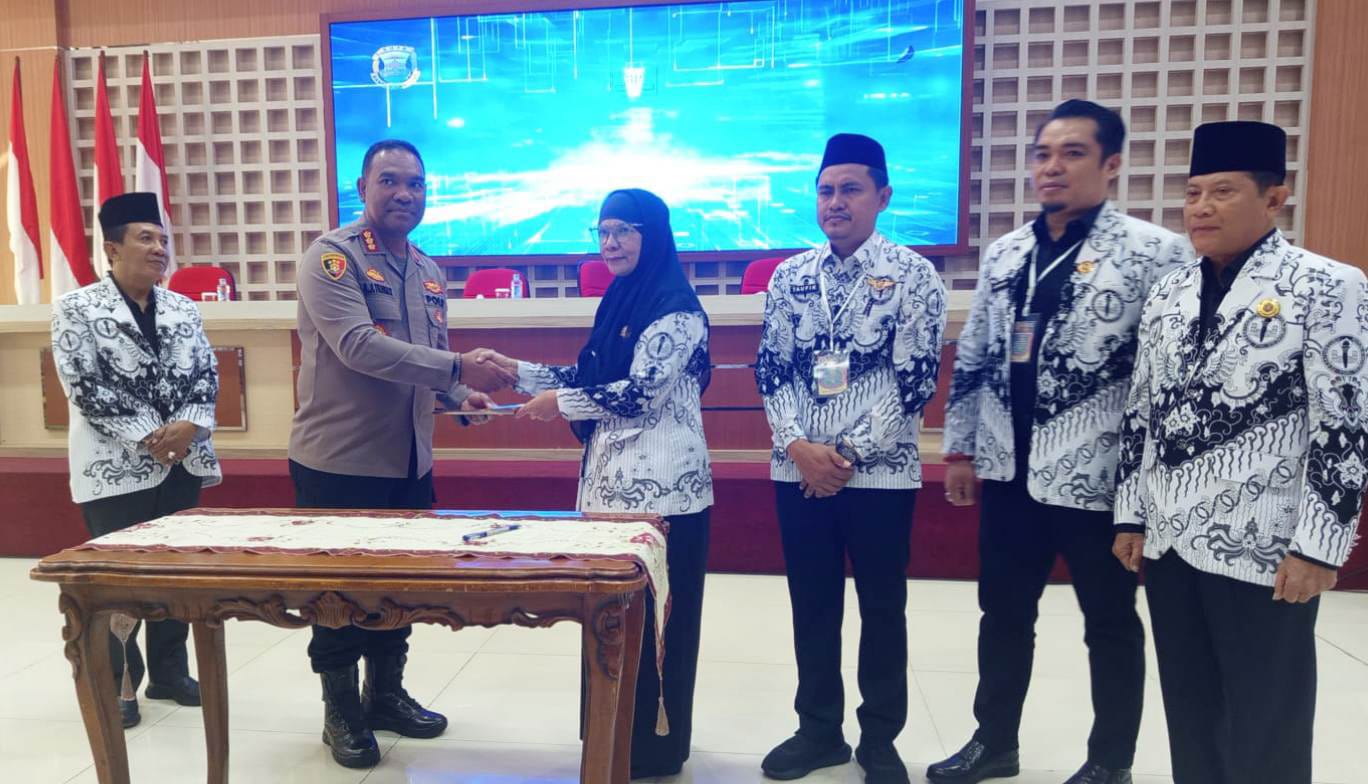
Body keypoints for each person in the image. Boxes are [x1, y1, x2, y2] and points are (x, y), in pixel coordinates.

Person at [930, 99, 1192, 784]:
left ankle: (1110, 760)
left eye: (1072, 153)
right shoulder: (1006, 252)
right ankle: (995, 741)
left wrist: (1150, 490)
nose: (1052, 167)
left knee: (1109, 621)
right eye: (1043, 154)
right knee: (1002, 613)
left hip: (1099, 477)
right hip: (1008, 469)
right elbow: (977, 352)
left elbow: (1167, 378)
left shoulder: (1155, 252)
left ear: (1111, 164)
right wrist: (961, 450)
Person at [1113, 120, 1368, 784]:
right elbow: (1142, 410)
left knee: (1267, 716)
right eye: (1193, 192)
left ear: (1274, 198)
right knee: (1191, 709)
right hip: (1170, 542)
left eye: (1222, 192)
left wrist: (1319, 548)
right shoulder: (1168, 292)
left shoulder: (1328, 285)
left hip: (1266, 546)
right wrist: (1131, 515)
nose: (1201, 208)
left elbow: (1344, 425)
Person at [288, 138, 513, 769]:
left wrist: (461, 394)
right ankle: (340, 710)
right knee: (336, 592)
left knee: (397, 588)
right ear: (362, 188)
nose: (404, 194)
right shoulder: (332, 258)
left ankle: (384, 695)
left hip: (410, 460)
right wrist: (458, 367)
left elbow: (425, 362)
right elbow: (360, 347)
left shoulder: (427, 269)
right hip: (340, 461)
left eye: (415, 183)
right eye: (389, 181)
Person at [482, 188, 713, 779]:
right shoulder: (619, 299)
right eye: (603, 232)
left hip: (667, 497)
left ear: (651, 236)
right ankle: (611, 737)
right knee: (611, 619)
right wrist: (516, 372)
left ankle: (653, 751)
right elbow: (590, 377)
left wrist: (558, 403)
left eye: (623, 231)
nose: (610, 243)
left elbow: (640, 393)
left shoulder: (676, 309)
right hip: (610, 493)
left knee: (657, 623)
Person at [753, 133, 947, 784]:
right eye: (826, 190)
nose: (835, 202)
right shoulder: (789, 276)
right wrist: (798, 447)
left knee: (882, 607)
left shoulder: (914, 275)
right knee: (812, 604)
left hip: (880, 475)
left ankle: (880, 739)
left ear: (882, 196)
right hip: (797, 469)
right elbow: (772, 371)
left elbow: (914, 380)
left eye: (851, 189)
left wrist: (843, 455)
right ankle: (818, 731)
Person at [50, 192, 223, 729]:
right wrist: (154, 437)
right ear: (112, 248)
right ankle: (121, 683)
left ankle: (170, 673)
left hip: (181, 462)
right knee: (121, 582)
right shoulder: (76, 308)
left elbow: (207, 374)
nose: (159, 249)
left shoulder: (183, 308)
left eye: (163, 240)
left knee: (176, 575)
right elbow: (85, 387)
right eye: (145, 238)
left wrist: (189, 426)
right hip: (114, 469)